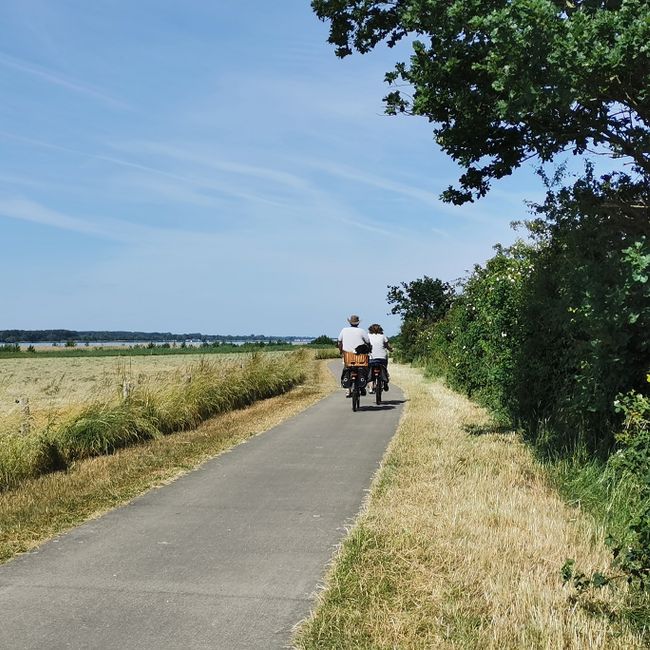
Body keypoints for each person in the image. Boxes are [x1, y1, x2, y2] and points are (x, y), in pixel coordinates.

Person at [337, 315, 370, 397]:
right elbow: (368, 341)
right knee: (364, 369)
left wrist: (341, 351)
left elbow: (339, 341)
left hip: (347, 355)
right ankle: (362, 387)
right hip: (359, 357)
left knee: (346, 369)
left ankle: (347, 389)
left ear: (350, 322)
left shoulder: (344, 330)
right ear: (358, 323)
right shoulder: (361, 331)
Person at [367, 324, 392, 393]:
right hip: (382, 358)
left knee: (369, 370)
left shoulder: (368, 336)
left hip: (371, 358)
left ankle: (370, 387)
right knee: (384, 367)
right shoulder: (383, 336)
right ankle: (385, 379)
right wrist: (391, 349)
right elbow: (387, 346)